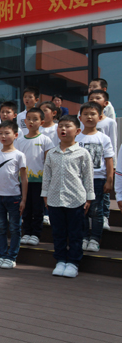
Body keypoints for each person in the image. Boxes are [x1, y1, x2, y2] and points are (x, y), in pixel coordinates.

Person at [42, 115, 94, 278]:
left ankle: (73, 262)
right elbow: (47, 176)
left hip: (76, 199)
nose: (63, 129)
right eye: (60, 126)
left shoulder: (83, 153)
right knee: (58, 232)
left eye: (67, 126)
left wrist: (88, 198)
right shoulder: (51, 153)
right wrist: (45, 195)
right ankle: (60, 260)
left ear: (78, 131)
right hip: (55, 199)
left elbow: (88, 177)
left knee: (75, 232)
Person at [0, 120, 28, 269]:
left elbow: (24, 179)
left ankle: (12, 257)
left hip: (14, 197)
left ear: (16, 135)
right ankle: (2, 255)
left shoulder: (19, 155)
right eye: (0, 133)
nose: (3, 136)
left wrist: (23, 199)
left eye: (7, 133)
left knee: (15, 228)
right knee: (0, 227)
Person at [77, 102, 114, 253]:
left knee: (96, 211)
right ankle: (84, 237)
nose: (89, 117)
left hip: (98, 179)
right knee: (81, 210)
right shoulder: (77, 137)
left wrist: (109, 178)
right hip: (79, 180)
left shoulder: (103, 138)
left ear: (99, 117)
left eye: (92, 114)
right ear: (80, 117)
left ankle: (95, 239)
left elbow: (109, 159)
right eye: (85, 114)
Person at [15, 108, 54, 246]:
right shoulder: (19, 141)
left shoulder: (45, 140)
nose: (31, 122)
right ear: (24, 121)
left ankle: (36, 234)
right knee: (25, 207)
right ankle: (26, 232)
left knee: (37, 209)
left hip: (39, 181)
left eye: (35, 119)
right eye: (29, 119)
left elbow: (49, 162)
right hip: (23, 181)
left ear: (42, 122)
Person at [87, 89, 117, 231]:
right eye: (91, 98)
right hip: (87, 168)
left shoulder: (109, 122)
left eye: (97, 98)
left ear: (105, 103)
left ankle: (104, 216)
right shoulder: (85, 123)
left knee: (102, 198)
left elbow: (113, 142)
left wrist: (113, 168)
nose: (94, 100)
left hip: (103, 165)